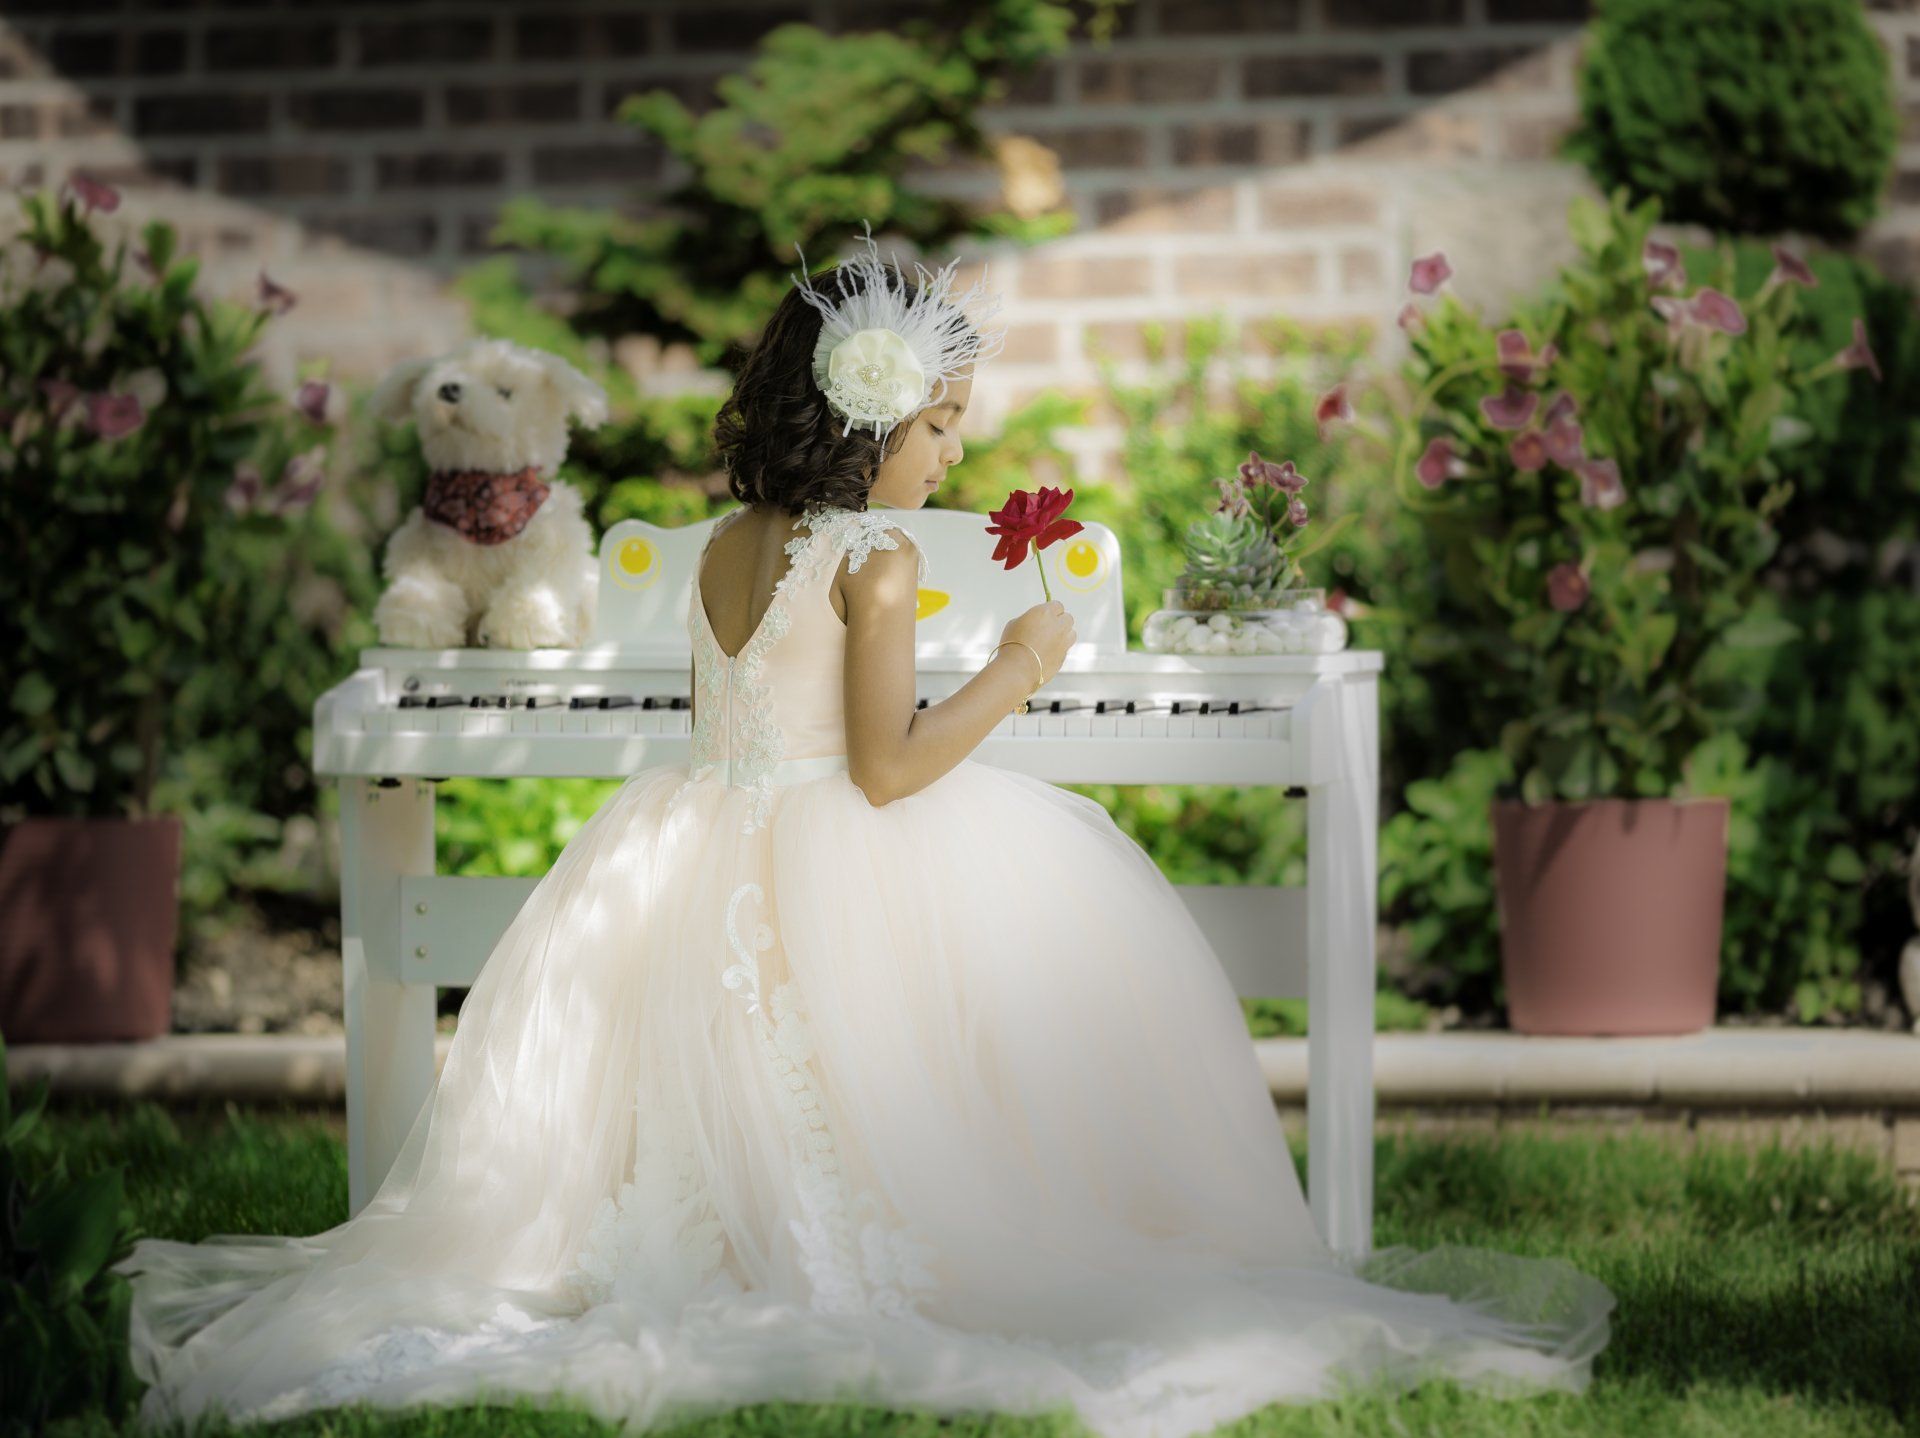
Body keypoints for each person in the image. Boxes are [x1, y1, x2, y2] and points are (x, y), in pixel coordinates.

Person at [112, 230, 1614, 1438]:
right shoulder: (883, 560)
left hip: (703, 854)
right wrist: (1022, 668)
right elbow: (890, 772)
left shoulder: (724, 545)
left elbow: (765, 724)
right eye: (944, 424)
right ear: (877, 416)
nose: (956, 455)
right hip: (837, 851)